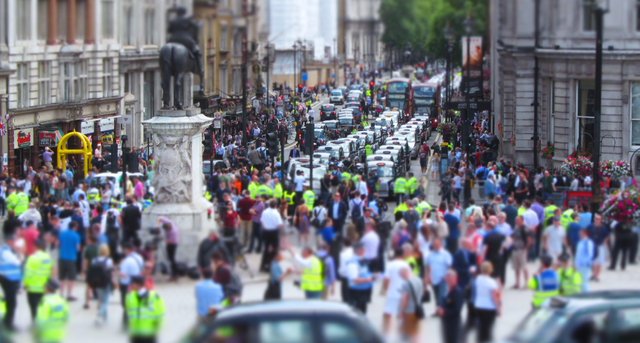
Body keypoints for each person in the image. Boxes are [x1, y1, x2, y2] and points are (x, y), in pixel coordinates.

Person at [125, 275, 166, 343]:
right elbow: (161, 314)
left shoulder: (130, 297)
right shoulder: (155, 297)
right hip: (148, 334)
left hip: (138, 334)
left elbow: (129, 312)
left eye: (132, 283)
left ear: (137, 284)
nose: (130, 285)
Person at [381, 249, 411, 338]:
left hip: (393, 292)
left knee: (388, 314)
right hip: (403, 292)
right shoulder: (406, 265)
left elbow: (386, 279)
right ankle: (403, 335)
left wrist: (385, 289)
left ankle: (386, 335)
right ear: (403, 255)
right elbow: (409, 279)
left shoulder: (390, 264)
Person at [24, 239, 53, 320]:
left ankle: (35, 323)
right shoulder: (48, 257)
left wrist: (25, 284)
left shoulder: (32, 258)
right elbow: (51, 271)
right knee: (42, 307)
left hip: (32, 287)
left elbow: (28, 273)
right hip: (44, 287)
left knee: (33, 308)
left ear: (35, 247)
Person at [473, 261, 501, 343]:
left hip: (479, 305)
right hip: (489, 307)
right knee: (488, 329)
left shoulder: (478, 279)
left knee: (480, 329)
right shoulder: (492, 282)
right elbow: (494, 296)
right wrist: (498, 307)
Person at [119, 242, 144, 327]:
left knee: (126, 304)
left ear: (127, 250)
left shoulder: (127, 261)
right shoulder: (139, 258)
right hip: (138, 283)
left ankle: (126, 323)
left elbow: (123, 274)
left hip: (127, 284)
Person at [346, 243, 375, 314]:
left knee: (363, 312)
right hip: (356, 293)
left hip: (364, 291)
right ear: (360, 250)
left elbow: (366, 272)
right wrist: (368, 280)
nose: (365, 251)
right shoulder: (353, 263)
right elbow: (354, 280)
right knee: (356, 313)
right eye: (364, 250)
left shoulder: (363, 261)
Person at [0, 234, 21, 330]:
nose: (15, 244)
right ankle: (9, 324)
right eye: (14, 242)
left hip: (10, 279)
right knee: (11, 303)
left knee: (11, 302)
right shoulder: (6, 252)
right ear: (9, 242)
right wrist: (19, 253)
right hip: (8, 280)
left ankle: (7, 322)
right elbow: (18, 262)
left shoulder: (6, 250)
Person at [425, 237, 453, 309]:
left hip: (443, 278)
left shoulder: (445, 254)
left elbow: (450, 266)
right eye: (434, 244)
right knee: (436, 295)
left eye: (437, 244)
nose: (436, 246)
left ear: (441, 244)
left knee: (442, 295)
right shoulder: (430, 255)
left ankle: (442, 309)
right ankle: (438, 309)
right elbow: (428, 267)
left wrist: (448, 277)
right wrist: (428, 277)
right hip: (434, 278)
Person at [438, 270, 465, 343]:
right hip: (446, 323)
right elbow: (443, 303)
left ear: (455, 278)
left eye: (450, 278)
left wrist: (444, 311)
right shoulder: (446, 290)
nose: (448, 280)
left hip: (454, 324)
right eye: (447, 278)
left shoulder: (457, 292)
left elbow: (457, 310)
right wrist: (440, 309)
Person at [91, 245, 114, 326]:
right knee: (106, 301)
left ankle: (105, 316)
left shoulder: (94, 260)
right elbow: (111, 272)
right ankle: (100, 314)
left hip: (97, 283)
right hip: (106, 282)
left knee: (101, 300)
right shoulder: (109, 260)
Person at [58, 221, 80, 301]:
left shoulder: (62, 234)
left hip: (62, 257)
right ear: (74, 227)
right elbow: (77, 248)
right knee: (71, 277)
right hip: (71, 258)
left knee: (62, 277)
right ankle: (69, 294)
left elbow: (59, 244)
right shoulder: (76, 235)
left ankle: (61, 293)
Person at [260, 200, 284, 272]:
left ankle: (263, 266)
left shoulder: (265, 211)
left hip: (266, 232)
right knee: (274, 250)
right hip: (274, 232)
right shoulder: (276, 213)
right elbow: (279, 224)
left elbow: (262, 221)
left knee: (266, 249)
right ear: (276, 206)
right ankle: (270, 267)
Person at [511, 215, 530, 289]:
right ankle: (517, 283)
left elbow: (529, 239)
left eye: (518, 220)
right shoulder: (516, 227)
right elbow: (513, 236)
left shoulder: (525, 228)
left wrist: (526, 249)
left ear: (522, 220)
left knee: (524, 266)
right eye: (516, 220)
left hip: (522, 250)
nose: (516, 221)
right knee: (516, 268)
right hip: (515, 249)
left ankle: (526, 283)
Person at [159, 217, 179, 281]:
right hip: (170, 243)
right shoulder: (169, 222)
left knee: (171, 259)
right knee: (170, 258)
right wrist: (158, 224)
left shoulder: (172, 232)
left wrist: (163, 239)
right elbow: (160, 218)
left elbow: (171, 242)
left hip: (172, 245)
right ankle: (174, 274)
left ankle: (174, 274)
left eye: (166, 230)